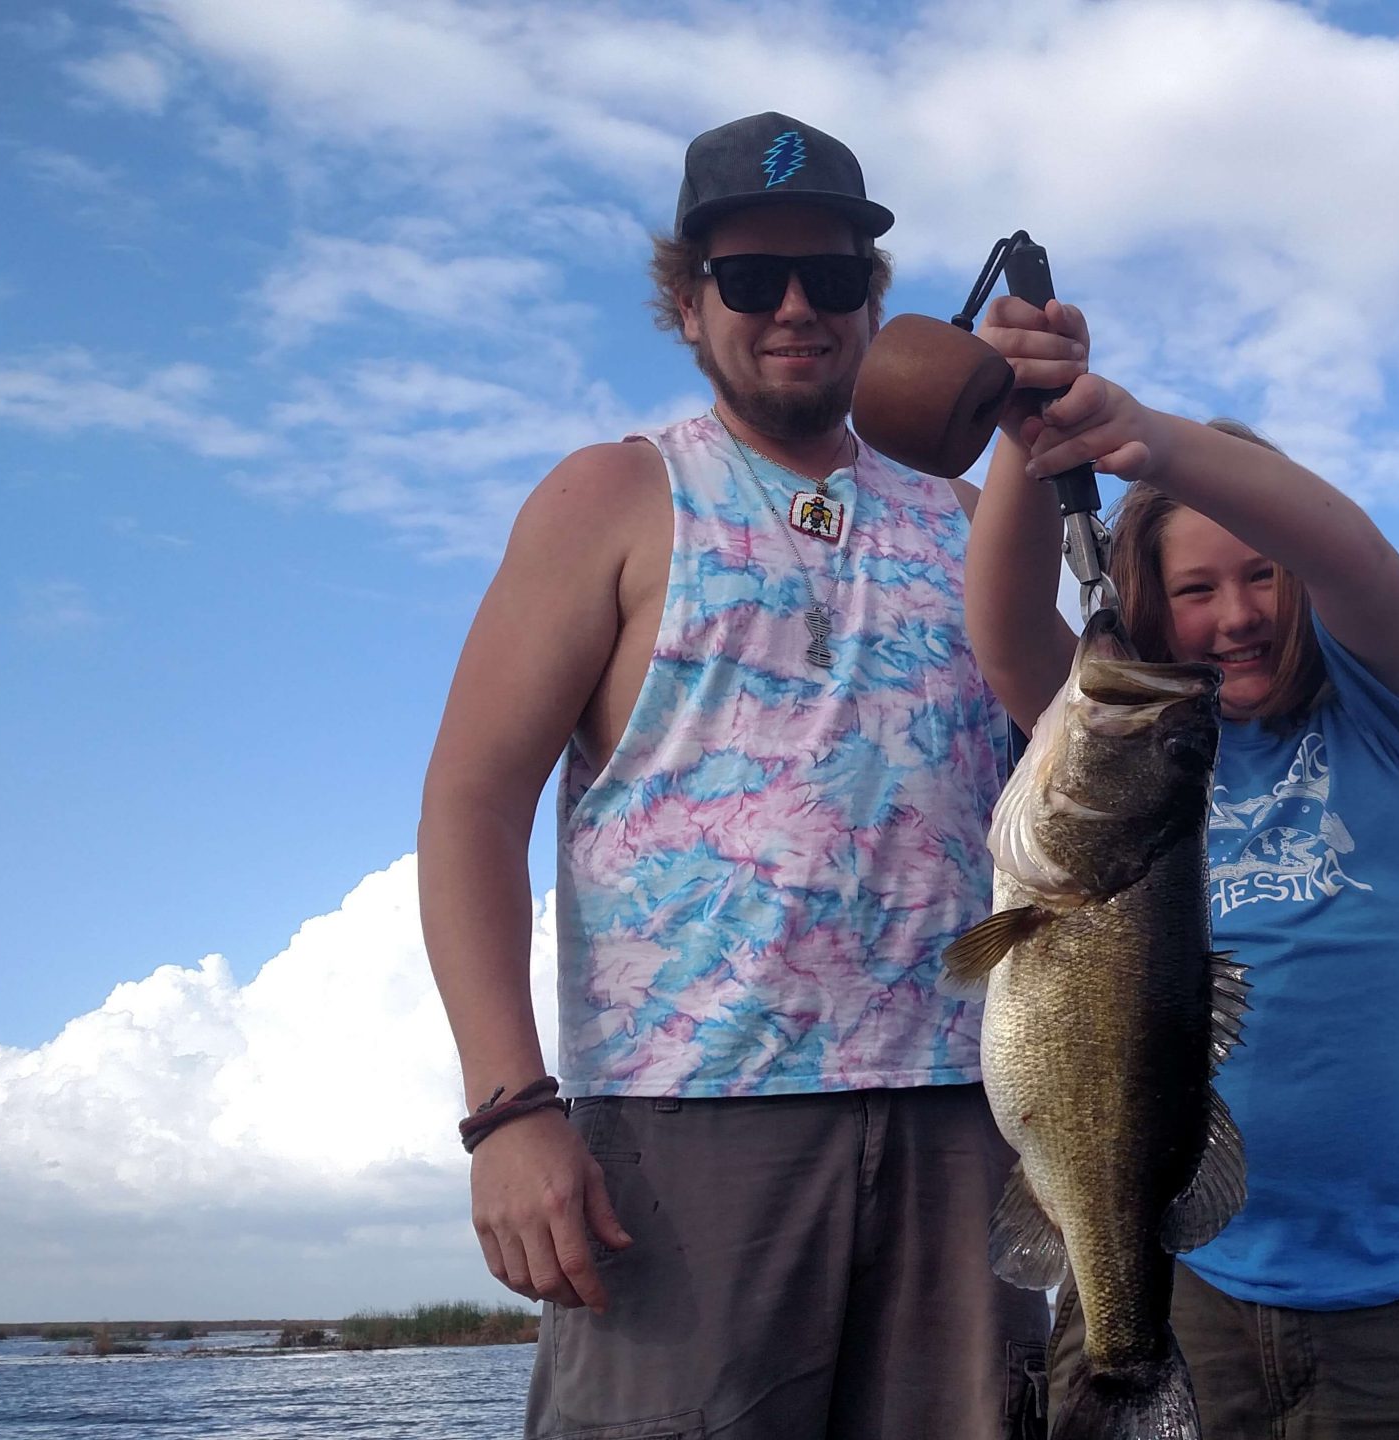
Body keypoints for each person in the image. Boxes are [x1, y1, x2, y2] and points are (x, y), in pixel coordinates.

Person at [418, 113, 1050, 1440]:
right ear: (688, 303)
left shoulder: (975, 522)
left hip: (964, 1115)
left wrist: (1043, 447)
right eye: (753, 281)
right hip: (682, 1122)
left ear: (875, 299)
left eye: (831, 276)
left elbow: (1069, 752)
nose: (796, 309)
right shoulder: (610, 497)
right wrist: (506, 1113)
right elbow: (474, 803)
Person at [965, 297, 1399, 1440]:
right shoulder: (1124, 736)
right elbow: (1005, 625)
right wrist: (1033, 436)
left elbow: (1356, 552)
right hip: (1183, 1284)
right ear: (1153, 604)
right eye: (1195, 588)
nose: (1235, 615)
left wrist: (1152, 438)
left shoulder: (1390, 721)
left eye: (1263, 576)